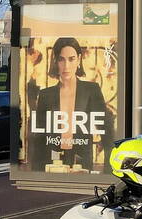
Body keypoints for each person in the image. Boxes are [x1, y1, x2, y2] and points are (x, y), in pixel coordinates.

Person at [32, 37, 114, 171]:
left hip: (81, 160)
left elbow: (107, 132)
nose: (66, 66)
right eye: (61, 59)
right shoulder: (46, 95)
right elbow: (39, 137)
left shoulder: (91, 90)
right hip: (52, 161)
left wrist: (109, 170)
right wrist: (36, 172)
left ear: (79, 59)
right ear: (55, 61)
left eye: (71, 59)